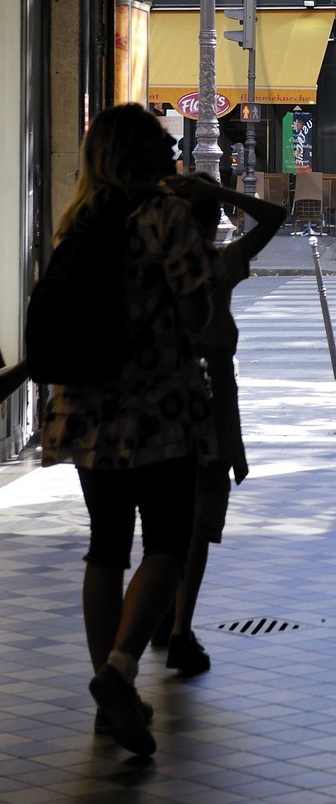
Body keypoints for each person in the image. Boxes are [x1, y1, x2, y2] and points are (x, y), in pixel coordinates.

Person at [38, 104, 219, 756]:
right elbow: (201, 313)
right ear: (148, 157)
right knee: (168, 542)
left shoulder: (78, 219)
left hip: (86, 407)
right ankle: (119, 670)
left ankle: (105, 697)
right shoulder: (164, 217)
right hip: (158, 409)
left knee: (106, 546)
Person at [151, 173, 285, 676]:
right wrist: (223, 193)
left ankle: (163, 617)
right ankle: (180, 627)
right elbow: (275, 216)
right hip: (210, 406)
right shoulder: (218, 263)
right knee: (199, 522)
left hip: (161, 407)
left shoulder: (154, 265)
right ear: (212, 222)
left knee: (163, 519)